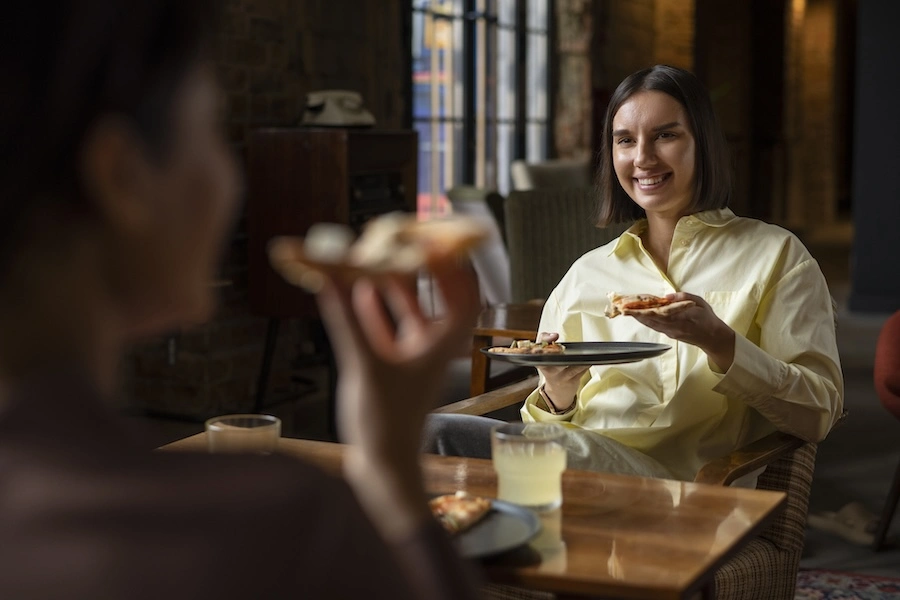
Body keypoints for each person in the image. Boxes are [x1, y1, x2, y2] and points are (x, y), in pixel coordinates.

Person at [0, 1, 481, 598]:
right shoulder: (277, 527)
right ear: (121, 176)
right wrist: (389, 468)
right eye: (214, 128)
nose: (234, 179)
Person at [426, 65, 844, 484]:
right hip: (573, 478)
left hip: (682, 491)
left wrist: (718, 341)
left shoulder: (776, 255)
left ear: (704, 144)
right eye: (625, 140)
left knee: (434, 436)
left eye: (665, 135)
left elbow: (818, 414)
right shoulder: (587, 273)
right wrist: (557, 393)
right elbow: (548, 430)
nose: (642, 158)